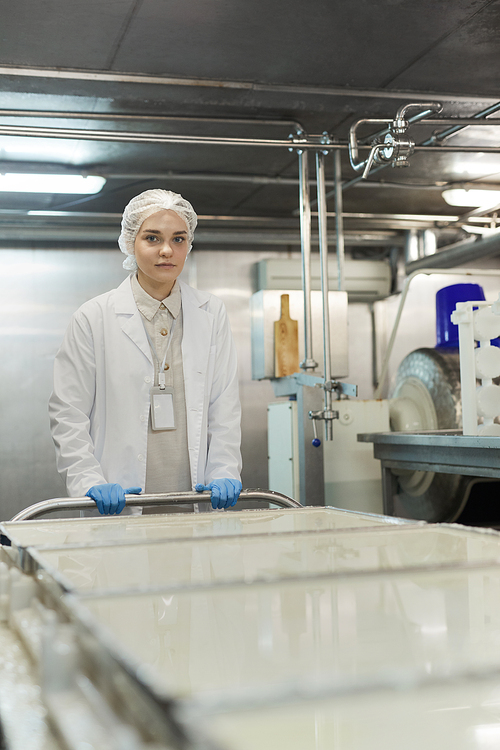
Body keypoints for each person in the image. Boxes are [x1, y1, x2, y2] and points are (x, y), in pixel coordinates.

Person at [49, 189, 242, 515]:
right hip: (120, 498)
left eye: (178, 239)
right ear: (130, 243)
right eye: (152, 238)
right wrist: (88, 480)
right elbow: (68, 414)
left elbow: (224, 407)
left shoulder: (212, 313)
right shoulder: (94, 316)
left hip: (197, 498)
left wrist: (224, 470)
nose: (167, 250)